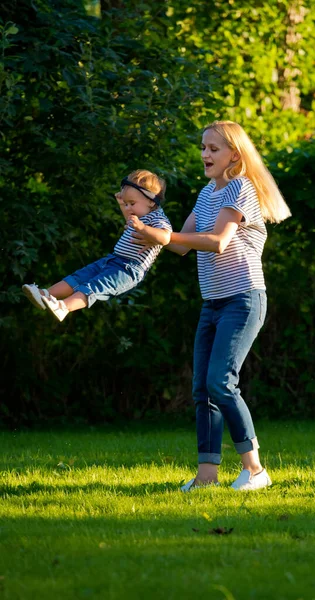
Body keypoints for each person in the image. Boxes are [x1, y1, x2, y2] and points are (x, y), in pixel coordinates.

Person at [130, 121, 291, 491]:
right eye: (203, 147)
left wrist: (164, 233)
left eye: (213, 149)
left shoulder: (241, 188)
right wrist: (143, 222)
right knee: (203, 387)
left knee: (221, 382)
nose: (205, 154)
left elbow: (217, 241)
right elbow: (182, 245)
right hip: (213, 303)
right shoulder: (206, 194)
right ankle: (207, 476)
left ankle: (255, 470)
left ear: (235, 154)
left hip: (243, 298)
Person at [21, 169, 172, 322]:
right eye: (126, 204)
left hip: (128, 269)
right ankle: (45, 294)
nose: (128, 208)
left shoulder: (157, 218)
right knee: (79, 277)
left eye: (132, 203)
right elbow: (130, 220)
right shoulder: (140, 215)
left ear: (152, 201)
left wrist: (143, 228)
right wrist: (123, 206)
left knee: (94, 287)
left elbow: (165, 237)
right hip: (112, 260)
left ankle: (64, 307)